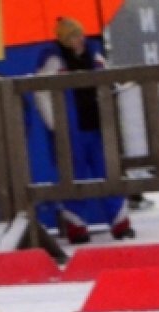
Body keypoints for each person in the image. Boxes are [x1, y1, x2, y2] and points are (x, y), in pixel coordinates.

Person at [35, 17, 135, 244]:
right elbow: (40, 93)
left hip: (97, 124)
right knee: (74, 176)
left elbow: (109, 81)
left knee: (107, 171)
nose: (78, 40)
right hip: (70, 127)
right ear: (63, 39)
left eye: (79, 34)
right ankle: (77, 227)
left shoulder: (95, 55)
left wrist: (118, 89)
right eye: (72, 36)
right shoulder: (53, 60)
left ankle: (120, 223)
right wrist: (55, 124)